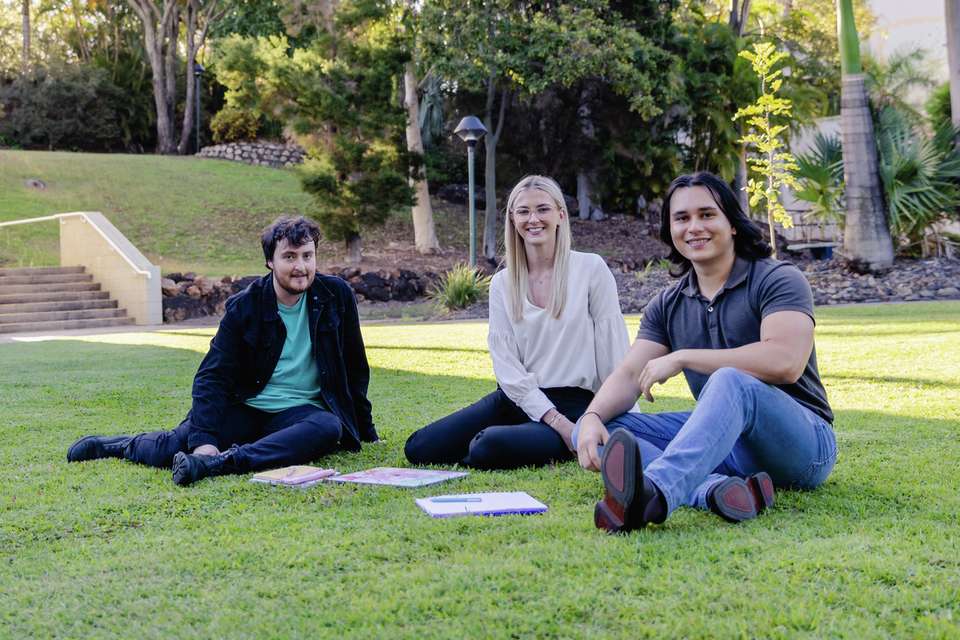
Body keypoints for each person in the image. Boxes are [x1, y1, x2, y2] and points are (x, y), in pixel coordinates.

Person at [574, 172, 837, 532]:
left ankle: (654, 497)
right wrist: (590, 416)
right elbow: (629, 374)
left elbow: (785, 363)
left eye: (707, 214)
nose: (694, 227)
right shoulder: (667, 304)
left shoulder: (777, 279)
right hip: (724, 443)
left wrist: (683, 357)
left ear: (732, 223)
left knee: (731, 380)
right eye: (682, 218)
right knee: (601, 428)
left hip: (803, 446)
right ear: (670, 231)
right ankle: (712, 489)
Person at [67, 216, 378, 486]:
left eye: (308, 256)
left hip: (299, 414)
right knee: (173, 447)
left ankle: (226, 463)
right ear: (270, 261)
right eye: (290, 257)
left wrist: (365, 430)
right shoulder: (245, 307)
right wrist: (203, 442)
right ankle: (117, 446)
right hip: (245, 405)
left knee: (327, 427)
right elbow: (212, 376)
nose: (301, 267)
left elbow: (355, 366)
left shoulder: (335, 295)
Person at [404, 175, 631, 469]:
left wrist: (613, 422)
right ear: (512, 219)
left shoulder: (591, 269)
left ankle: (534, 442)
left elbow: (615, 354)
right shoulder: (502, 283)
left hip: (574, 404)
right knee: (419, 447)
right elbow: (507, 368)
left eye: (543, 209)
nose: (533, 219)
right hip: (518, 399)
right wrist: (557, 423)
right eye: (523, 211)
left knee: (488, 446)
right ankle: (530, 440)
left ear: (561, 215)